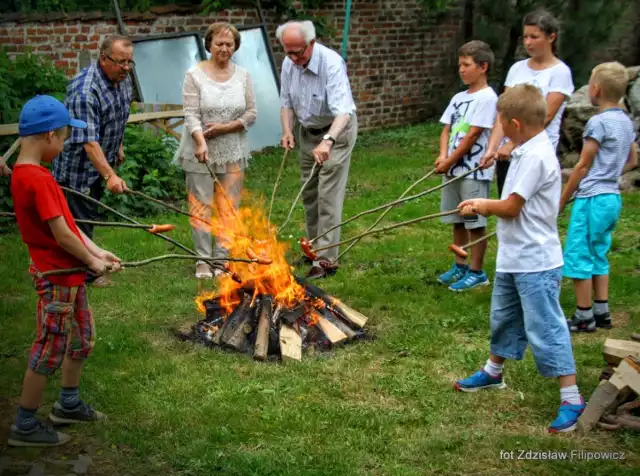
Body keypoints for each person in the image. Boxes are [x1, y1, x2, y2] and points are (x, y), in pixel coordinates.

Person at [454, 84, 585, 433]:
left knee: (545, 327)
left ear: (513, 122)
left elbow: (511, 206)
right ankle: (493, 372)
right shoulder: (527, 148)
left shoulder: (538, 156)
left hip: (536, 262)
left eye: (501, 121)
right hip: (515, 258)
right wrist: (503, 151)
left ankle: (572, 397)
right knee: (505, 318)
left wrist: (480, 204)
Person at [8, 95, 121, 447]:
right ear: (49, 137)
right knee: (49, 348)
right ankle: (25, 425)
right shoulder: (37, 180)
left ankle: (67, 404)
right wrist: (92, 263)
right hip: (55, 277)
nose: (65, 143)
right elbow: (59, 235)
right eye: (63, 137)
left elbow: (70, 228)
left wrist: (97, 249)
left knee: (81, 338)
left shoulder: (34, 174)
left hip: (69, 275)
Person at [560, 62, 638, 332]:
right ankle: (602, 310)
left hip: (591, 199)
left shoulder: (598, 122)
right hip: (611, 199)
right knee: (599, 252)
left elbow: (582, 165)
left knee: (579, 254)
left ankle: (584, 315)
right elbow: (632, 159)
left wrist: (561, 201)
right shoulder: (626, 122)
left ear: (595, 89)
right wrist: (609, 172)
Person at [175, 22, 257, 279]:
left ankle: (222, 259)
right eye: (219, 43)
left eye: (229, 44)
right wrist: (201, 141)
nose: (224, 48)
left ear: (235, 47)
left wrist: (226, 128)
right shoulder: (194, 75)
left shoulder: (243, 75)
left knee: (228, 206)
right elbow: (190, 113)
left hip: (233, 148)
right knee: (201, 205)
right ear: (208, 44)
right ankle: (202, 259)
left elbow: (251, 113)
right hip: (200, 150)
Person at [277, 20, 358, 279]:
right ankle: (312, 248)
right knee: (309, 193)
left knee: (327, 196)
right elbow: (286, 103)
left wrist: (328, 141)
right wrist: (288, 131)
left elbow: (343, 112)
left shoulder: (331, 63)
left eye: (298, 52)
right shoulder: (289, 63)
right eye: (287, 52)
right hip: (307, 133)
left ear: (311, 43)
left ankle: (325, 259)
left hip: (336, 132)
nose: (293, 58)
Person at [53, 35, 133, 287]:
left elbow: (118, 114)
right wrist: (110, 175)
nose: (127, 68)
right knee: (79, 219)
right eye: (121, 62)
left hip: (100, 161)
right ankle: (86, 272)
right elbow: (88, 141)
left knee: (87, 214)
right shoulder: (85, 90)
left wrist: (117, 145)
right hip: (77, 168)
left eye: (130, 62)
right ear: (103, 59)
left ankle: (82, 265)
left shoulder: (122, 77)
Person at [481, 9, 574, 196]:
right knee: (505, 207)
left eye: (534, 37)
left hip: (535, 153)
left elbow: (544, 117)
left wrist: (513, 144)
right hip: (507, 154)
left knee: (525, 211)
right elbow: (503, 112)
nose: (528, 42)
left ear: (551, 37)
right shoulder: (517, 68)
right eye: (525, 37)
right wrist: (493, 148)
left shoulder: (560, 72)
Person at [435, 40, 498, 291]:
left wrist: (450, 160)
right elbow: (446, 129)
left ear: (483, 67)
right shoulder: (459, 97)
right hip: (452, 169)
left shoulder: (487, 98)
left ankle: (477, 271)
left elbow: (472, 135)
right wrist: (443, 156)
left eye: (466, 65)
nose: (461, 69)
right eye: (460, 64)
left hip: (473, 170)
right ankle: (460, 265)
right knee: (457, 220)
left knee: (475, 222)